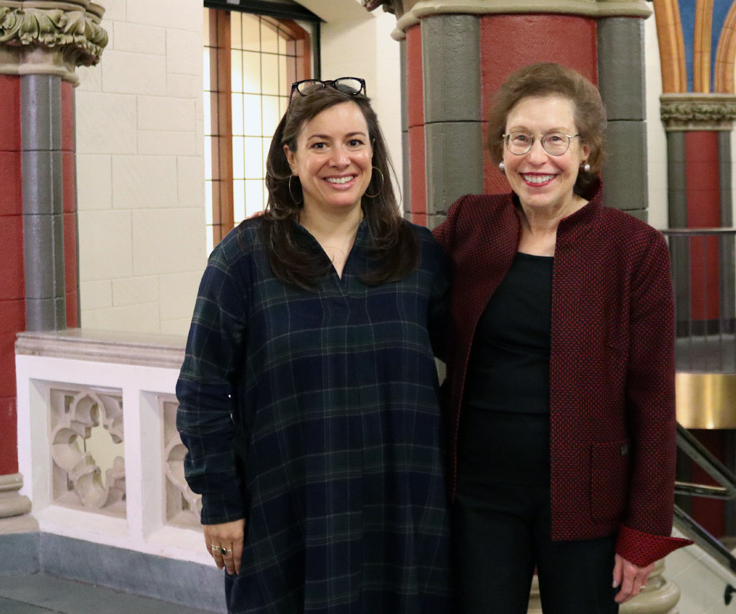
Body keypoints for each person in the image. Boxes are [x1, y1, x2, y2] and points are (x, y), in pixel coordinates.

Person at [176, 78, 452, 614]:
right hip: (286, 505)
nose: (339, 159)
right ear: (291, 157)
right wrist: (219, 501)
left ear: (373, 153)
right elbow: (203, 389)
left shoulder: (418, 255)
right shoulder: (244, 258)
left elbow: (472, 365)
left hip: (403, 507)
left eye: (354, 141)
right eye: (319, 144)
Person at [434, 63, 691, 614]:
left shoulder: (634, 249)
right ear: (501, 150)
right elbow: (395, 279)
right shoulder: (469, 224)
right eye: (520, 138)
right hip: (478, 490)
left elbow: (654, 398)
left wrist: (645, 529)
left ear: (587, 151)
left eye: (555, 139)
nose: (536, 157)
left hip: (587, 496)